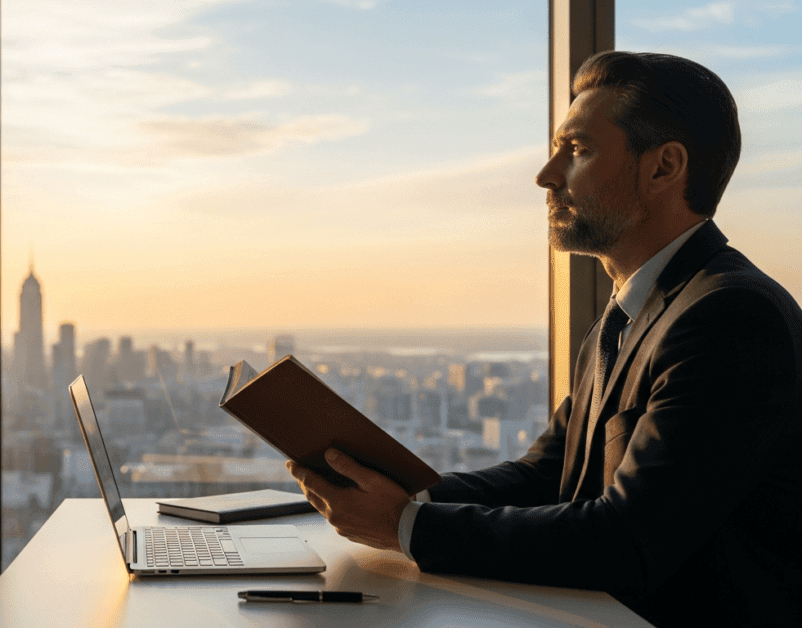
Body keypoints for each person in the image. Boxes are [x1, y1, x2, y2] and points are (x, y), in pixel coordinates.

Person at [287, 50, 802, 627]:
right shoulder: (629, 315)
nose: (546, 174)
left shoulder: (729, 316)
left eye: (577, 150)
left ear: (663, 168)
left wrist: (406, 527)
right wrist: (407, 494)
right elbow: (549, 475)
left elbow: (629, 540)